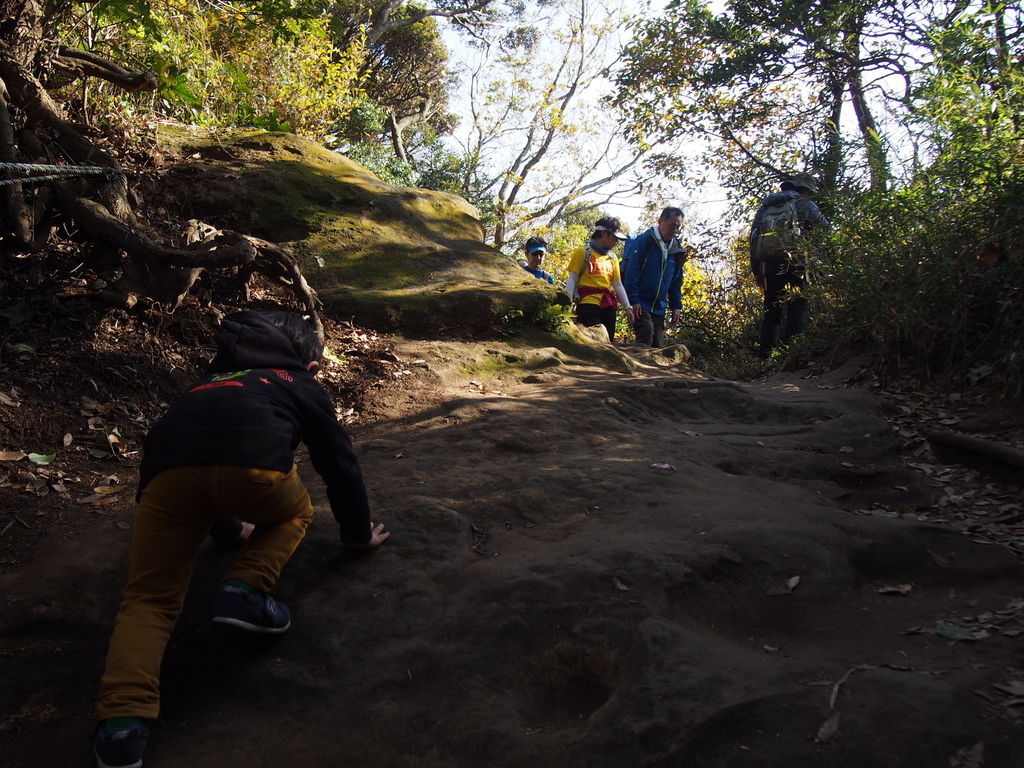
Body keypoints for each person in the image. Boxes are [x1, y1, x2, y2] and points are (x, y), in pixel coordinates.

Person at [91, 310, 389, 768]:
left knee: (149, 598)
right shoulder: (297, 381)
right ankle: (245, 589)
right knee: (297, 512)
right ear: (310, 366)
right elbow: (338, 460)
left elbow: (201, 453)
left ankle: (121, 727)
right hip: (255, 468)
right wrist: (356, 533)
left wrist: (229, 529)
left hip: (165, 475)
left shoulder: (207, 382)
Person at [749, 176, 825, 358]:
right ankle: (792, 355)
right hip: (798, 264)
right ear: (805, 190)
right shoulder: (805, 203)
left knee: (771, 312)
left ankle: (766, 358)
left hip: (769, 265)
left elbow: (754, 238)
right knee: (797, 309)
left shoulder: (767, 206)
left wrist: (756, 270)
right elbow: (824, 227)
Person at [622, 207, 688, 348]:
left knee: (657, 345)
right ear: (660, 221)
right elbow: (632, 272)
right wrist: (633, 300)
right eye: (672, 225)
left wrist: (675, 306)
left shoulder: (676, 249)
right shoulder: (645, 241)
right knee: (646, 333)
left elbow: (676, 281)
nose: (674, 230)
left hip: (659, 306)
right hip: (641, 302)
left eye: (678, 227)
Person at [565, 217, 636, 342]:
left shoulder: (613, 258)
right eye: (614, 237)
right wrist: (567, 305)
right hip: (588, 304)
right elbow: (572, 278)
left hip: (609, 305)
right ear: (604, 232)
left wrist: (627, 307)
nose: (616, 242)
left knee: (608, 342)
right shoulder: (583, 252)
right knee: (591, 341)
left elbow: (617, 284)